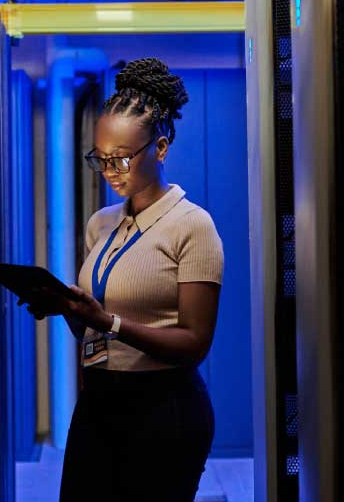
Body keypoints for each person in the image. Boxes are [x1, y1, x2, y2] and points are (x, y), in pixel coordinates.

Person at [28, 58, 224, 501]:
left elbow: (195, 342)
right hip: (98, 403)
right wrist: (70, 310)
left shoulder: (193, 225)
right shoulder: (101, 223)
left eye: (121, 159)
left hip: (164, 409)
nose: (111, 170)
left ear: (160, 147)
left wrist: (108, 323)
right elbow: (91, 327)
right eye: (100, 159)